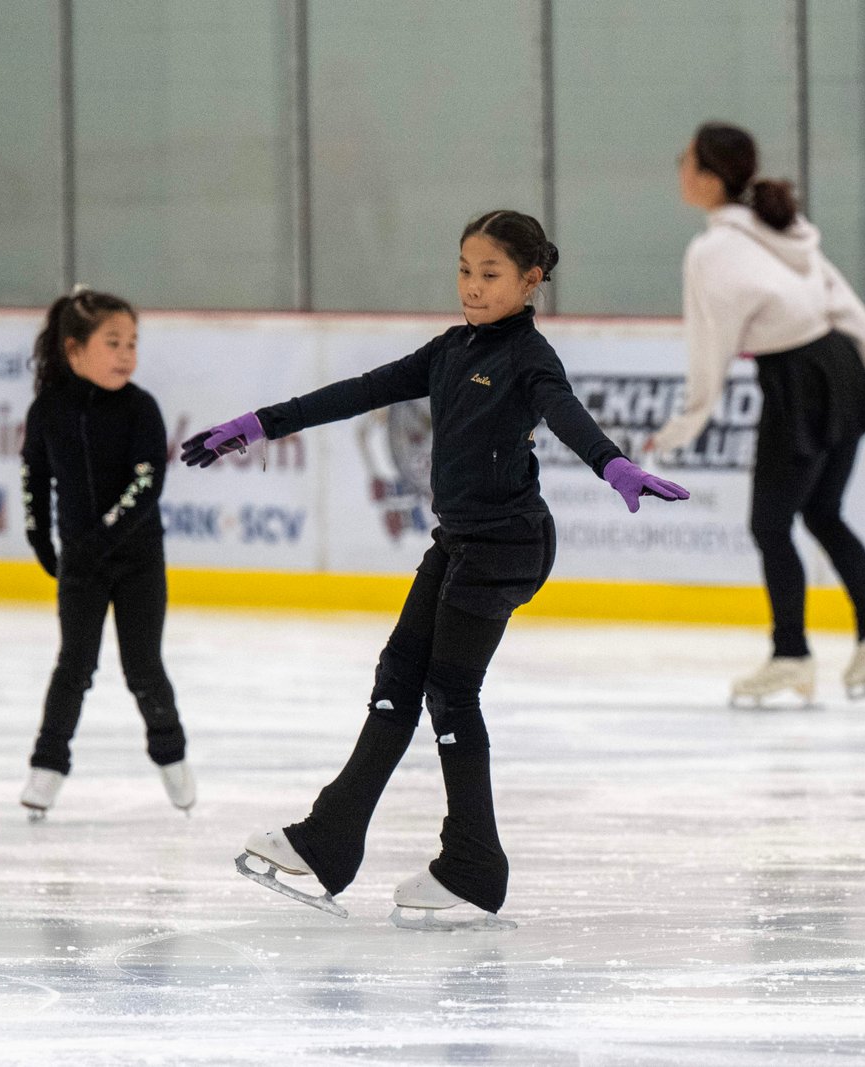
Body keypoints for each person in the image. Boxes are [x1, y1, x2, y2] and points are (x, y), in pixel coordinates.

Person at [182, 210, 688, 929]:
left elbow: (564, 411)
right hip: (460, 542)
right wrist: (263, 423)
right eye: (463, 270)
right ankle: (328, 842)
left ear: (529, 279)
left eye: (490, 274)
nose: (472, 287)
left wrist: (612, 464)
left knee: (451, 694)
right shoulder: (451, 351)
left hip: (508, 544)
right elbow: (360, 390)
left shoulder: (529, 357)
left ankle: (474, 867)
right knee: (397, 680)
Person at [648, 121, 865, 706]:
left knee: (771, 523)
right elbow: (845, 303)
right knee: (820, 512)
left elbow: (708, 348)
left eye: (686, 159)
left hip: (798, 381)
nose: (679, 167)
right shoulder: (780, 225)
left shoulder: (712, 251)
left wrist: (682, 427)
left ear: (710, 179)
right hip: (842, 368)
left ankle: (792, 654)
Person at [19, 286, 194, 819]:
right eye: (113, 342)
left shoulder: (141, 409)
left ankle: (173, 760)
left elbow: (148, 482)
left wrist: (96, 540)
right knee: (74, 665)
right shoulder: (48, 410)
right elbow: (35, 474)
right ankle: (46, 769)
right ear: (74, 351)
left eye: (132, 344)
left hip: (138, 562)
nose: (126, 354)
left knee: (143, 667)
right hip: (80, 565)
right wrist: (39, 538)